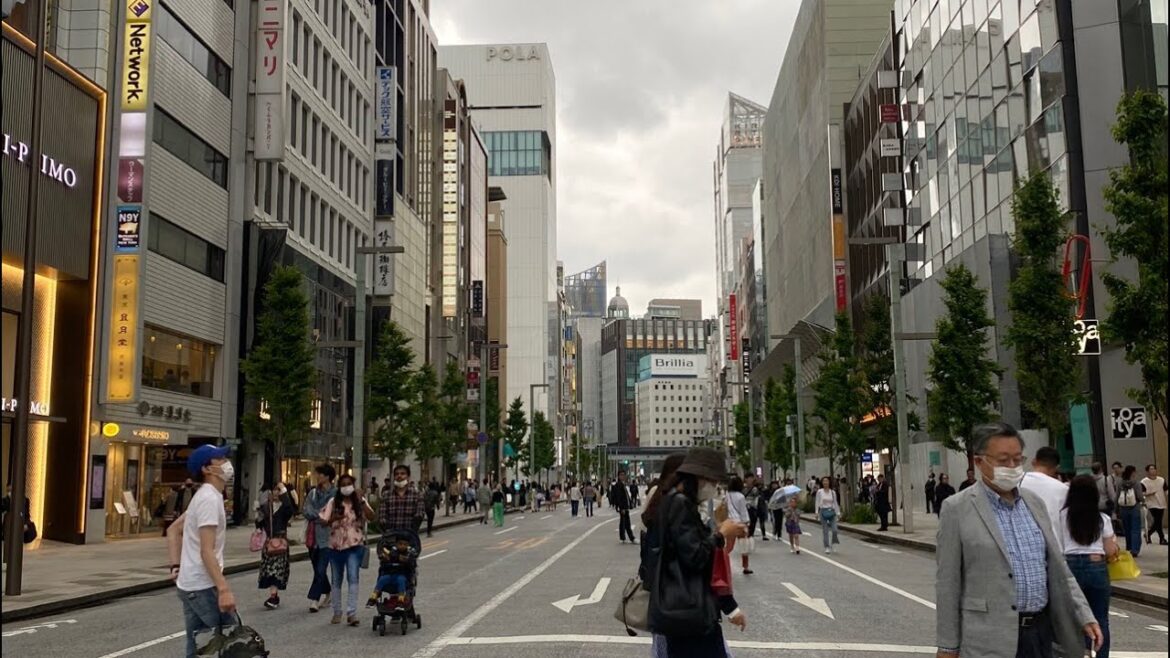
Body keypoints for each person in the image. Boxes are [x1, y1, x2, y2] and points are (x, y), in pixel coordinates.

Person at [935, 422, 1102, 658]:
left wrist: (1083, 615)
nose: (1012, 467)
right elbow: (948, 584)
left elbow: (1058, 568)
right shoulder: (956, 508)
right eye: (1003, 460)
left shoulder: (1034, 503)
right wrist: (948, 646)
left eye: (1017, 459)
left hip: (1039, 634)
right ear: (979, 462)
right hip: (988, 638)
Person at [648, 447, 747, 658]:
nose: (714, 487)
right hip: (689, 611)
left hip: (684, 611)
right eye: (713, 482)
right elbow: (695, 556)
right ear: (699, 478)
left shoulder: (674, 501)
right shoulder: (680, 504)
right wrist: (721, 534)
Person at [166, 445, 235, 658]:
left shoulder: (205, 496)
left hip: (191, 584)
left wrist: (176, 566)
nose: (226, 463)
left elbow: (173, 529)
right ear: (207, 469)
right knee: (232, 642)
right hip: (203, 586)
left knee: (200, 648)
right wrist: (223, 589)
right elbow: (207, 551)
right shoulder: (209, 499)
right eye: (220, 459)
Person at [1062, 475, 1119, 658]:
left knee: (1073, 619)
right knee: (1100, 618)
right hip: (1096, 566)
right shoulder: (1102, 519)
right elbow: (1110, 551)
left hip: (1069, 566)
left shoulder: (1062, 516)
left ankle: (1078, 653)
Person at [319, 473, 375, 626]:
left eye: (348, 484)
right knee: (336, 579)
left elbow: (372, 516)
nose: (346, 487)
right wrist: (334, 519)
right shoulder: (333, 501)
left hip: (354, 545)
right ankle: (337, 612)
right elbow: (322, 520)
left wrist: (362, 501)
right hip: (335, 546)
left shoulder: (358, 501)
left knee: (353, 577)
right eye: (343, 485)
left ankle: (352, 612)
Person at [302, 464, 337, 613]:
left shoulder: (335, 493)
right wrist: (321, 516)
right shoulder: (313, 493)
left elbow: (334, 512)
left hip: (329, 536)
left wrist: (325, 516)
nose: (318, 477)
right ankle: (328, 591)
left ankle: (314, 599)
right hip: (312, 535)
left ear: (328, 476)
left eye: (320, 474)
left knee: (321, 568)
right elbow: (306, 510)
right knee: (317, 568)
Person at [256, 482, 294, 609]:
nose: (276, 493)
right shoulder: (267, 507)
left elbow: (290, 509)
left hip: (280, 542)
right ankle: (274, 596)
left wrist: (284, 492)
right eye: (275, 490)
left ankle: (273, 597)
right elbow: (259, 523)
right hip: (269, 542)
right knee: (269, 571)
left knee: (277, 571)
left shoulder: (284, 507)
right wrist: (257, 513)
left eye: (279, 490)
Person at [724, 476, 754, 575]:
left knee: (729, 546)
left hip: (730, 522)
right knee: (744, 545)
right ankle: (746, 567)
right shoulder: (740, 496)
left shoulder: (727, 495)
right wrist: (747, 523)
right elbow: (743, 511)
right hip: (740, 523)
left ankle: (722, 562)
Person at [1116, 465, 1143, 558]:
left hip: (1123, 508)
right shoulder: (1136, 483)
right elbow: (1139, 496)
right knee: (1135, 529)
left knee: (1127, 529)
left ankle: (1129, 548)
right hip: (1134, 508)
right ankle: (1135, 550)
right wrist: (1143, 501)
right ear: (1133, 472)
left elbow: (1117, 496)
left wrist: (1116, 509)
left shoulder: (1120, 483)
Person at [1141, 464, 1167, 545]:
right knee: (1158, 520)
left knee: (1158, 521)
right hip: (1151, 503)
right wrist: (1149, 493)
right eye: (1151, 469)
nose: (1153, 470)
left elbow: (1166, 490)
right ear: (1147, 471)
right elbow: (1142, 493)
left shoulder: (1161, 480)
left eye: (1154, 469)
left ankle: (1148, 534)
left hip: (1161, 502)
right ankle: (1162, 539)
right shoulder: (1144, 482)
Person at [815, 476, 841, 554]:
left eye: (827, 481)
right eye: (824, 481)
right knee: (825, 530)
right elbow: (817, 502)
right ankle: (827, 546)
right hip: (823, 511)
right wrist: (816, 512)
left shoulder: (832, 492)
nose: (825, 482)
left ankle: (833, 543)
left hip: (831, 512)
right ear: (822, 483)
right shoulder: (819, 492)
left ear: (829, 482)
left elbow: (835, 503)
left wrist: (838, 513)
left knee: (834, 530)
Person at [611, 472, 636, 544]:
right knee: (625, 522)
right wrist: (621, 507)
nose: (623, 476)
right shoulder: (619, 485)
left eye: (624, 475)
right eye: (621, 475)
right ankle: (630, 538)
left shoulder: (622, 484)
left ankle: (624, 537)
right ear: (618, 476)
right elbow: (619, 497)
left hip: (625, 506)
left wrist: (630, 504)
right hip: (623, 507)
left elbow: (626, 496)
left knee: (624, 522)